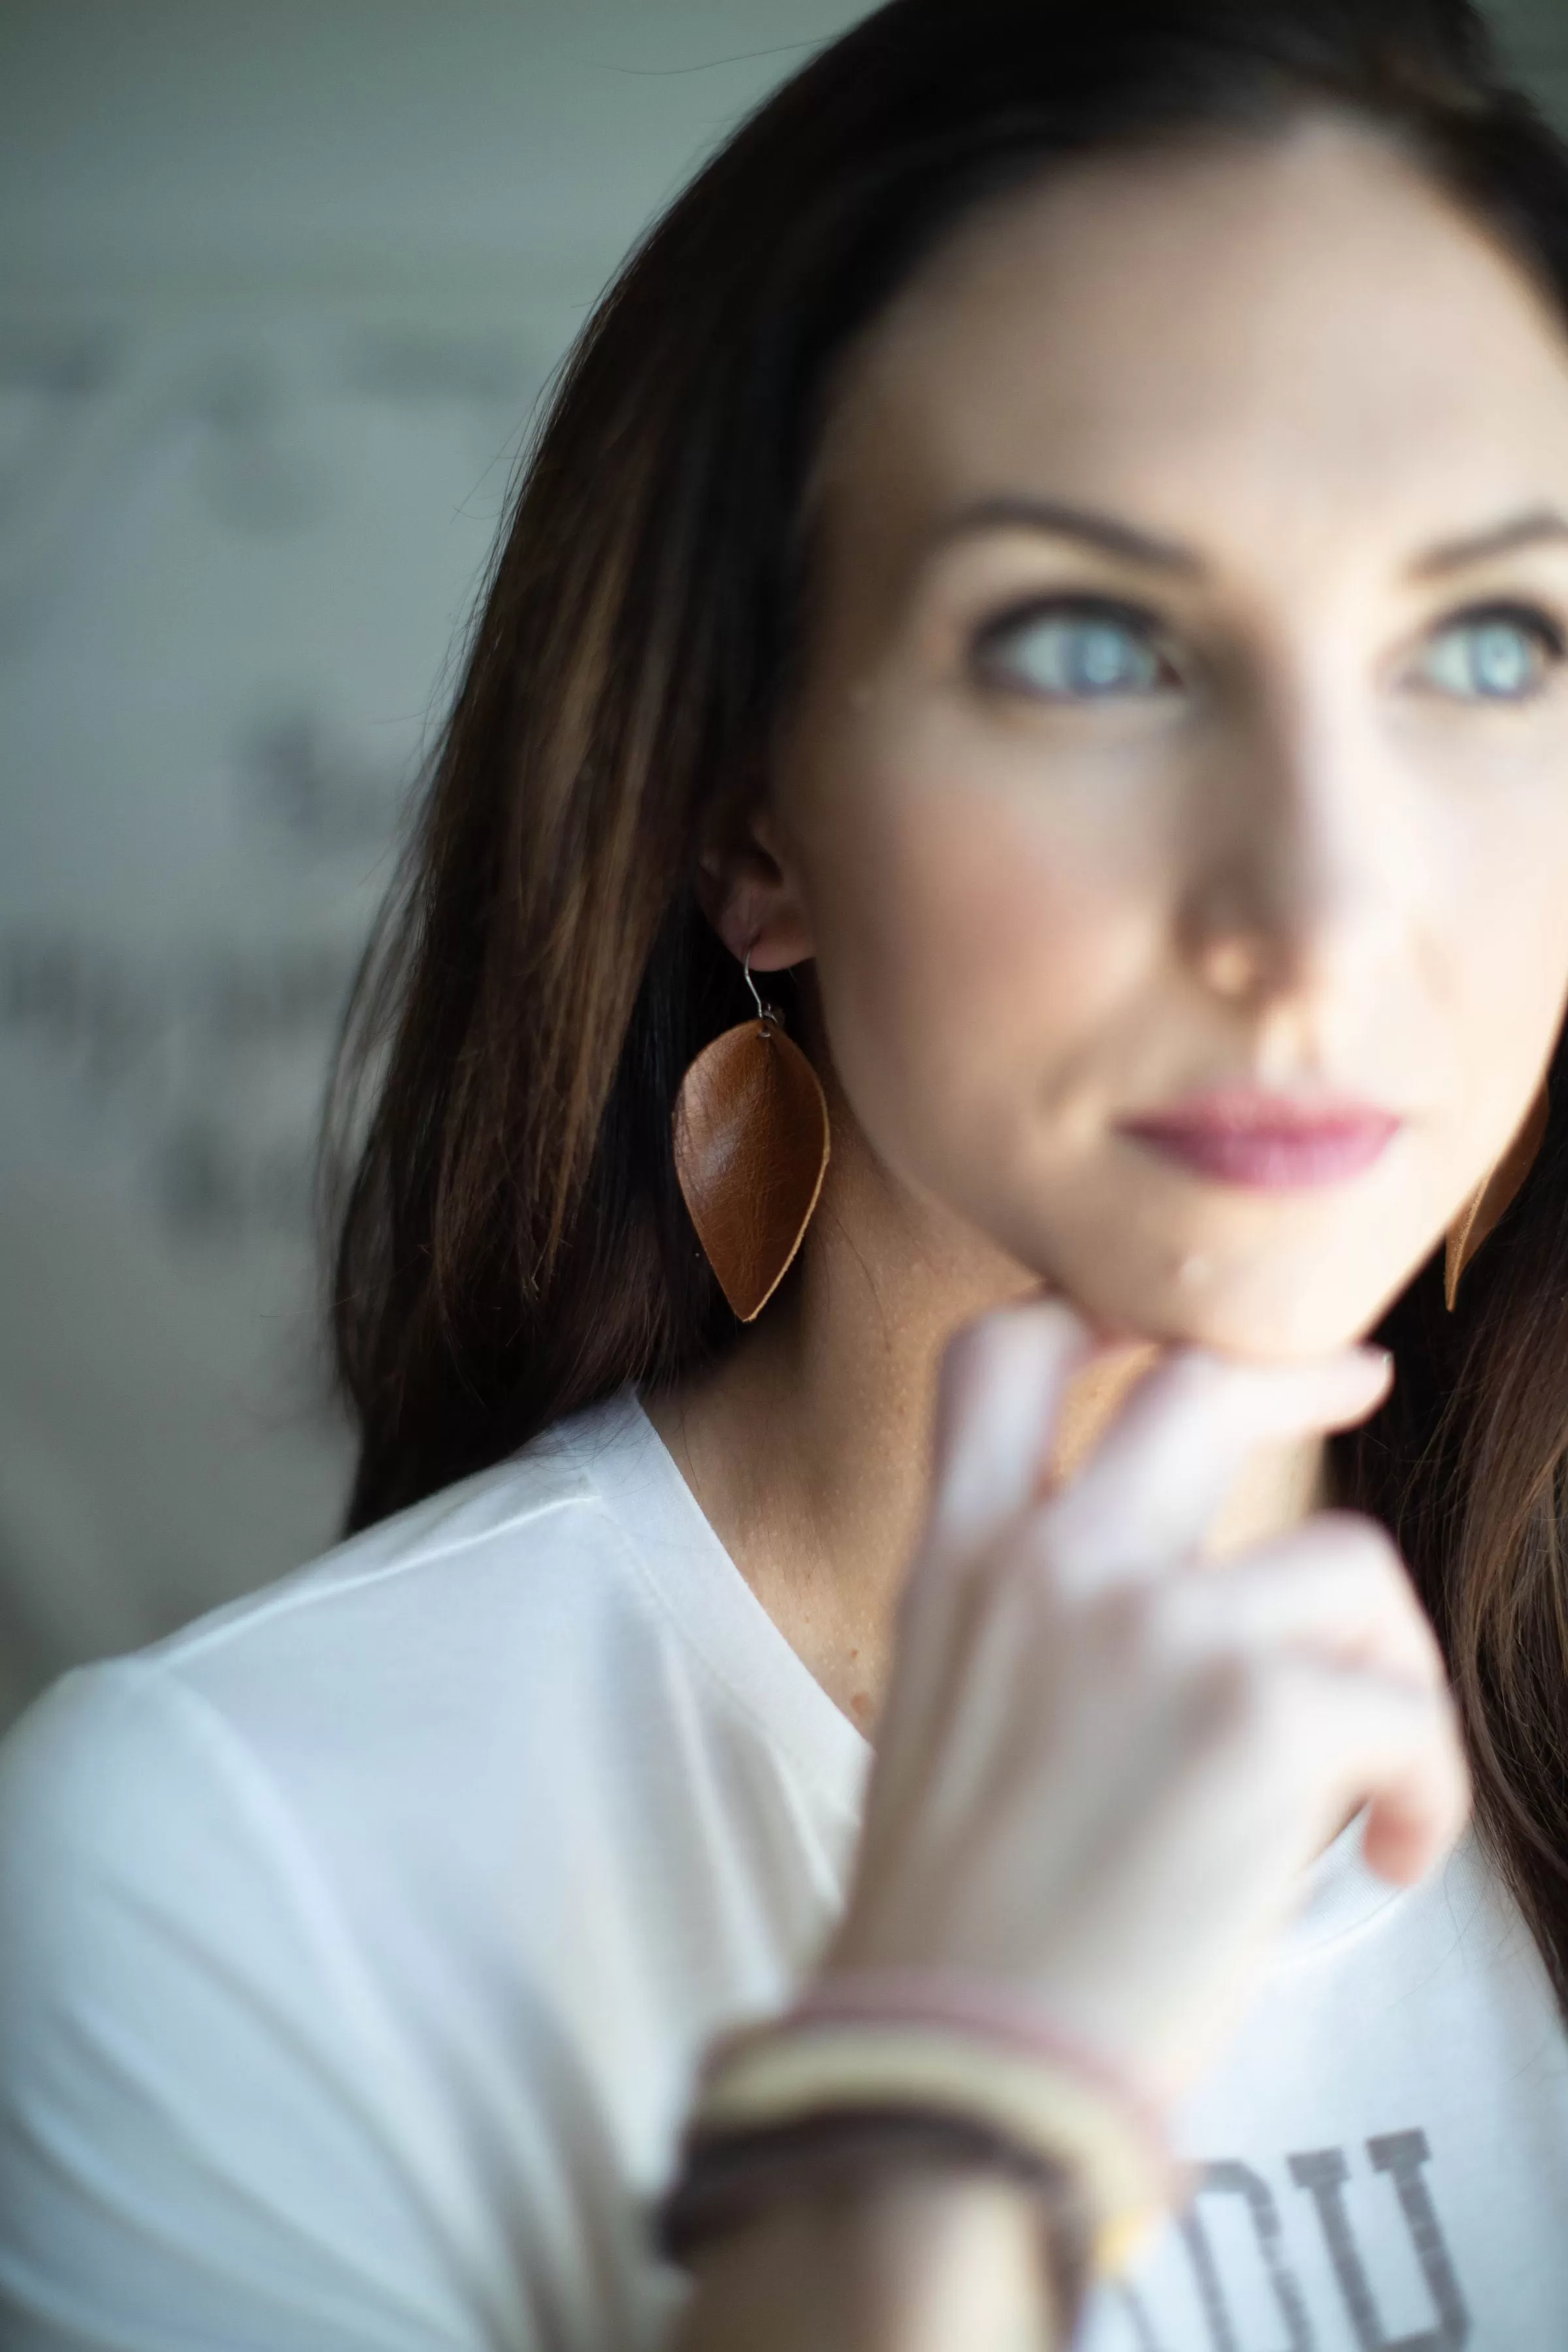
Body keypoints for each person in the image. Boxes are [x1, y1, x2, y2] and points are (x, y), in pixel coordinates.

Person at [3, 0, 1567, 2343]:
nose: (1323, 910)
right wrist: (931, 2115)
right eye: (1088, 643)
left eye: (1489, 640)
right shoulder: (228, 1860)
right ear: (753, 827)